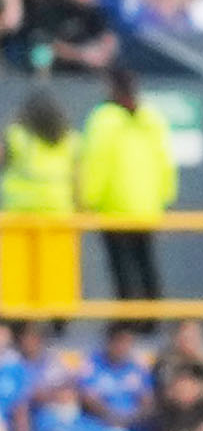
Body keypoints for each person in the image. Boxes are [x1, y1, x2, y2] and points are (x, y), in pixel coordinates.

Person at [70, 67, 172, 307]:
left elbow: (96, 163)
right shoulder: (152, 118)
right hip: (147, 205)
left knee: (121, 265)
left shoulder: (104, 118)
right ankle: (150, 317)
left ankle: (130, 319)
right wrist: (163, 196)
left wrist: (87, 199)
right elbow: (165, 161)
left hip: (115, 205)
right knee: (145, 260)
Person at [3, 88, 77, 317]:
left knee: (17, 277)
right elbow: (78, 177)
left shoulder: (17, 135)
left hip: (20, 216)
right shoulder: (70, 139)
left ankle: (17, 321)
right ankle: (58, 320)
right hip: (58, 215)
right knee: (57, 274)